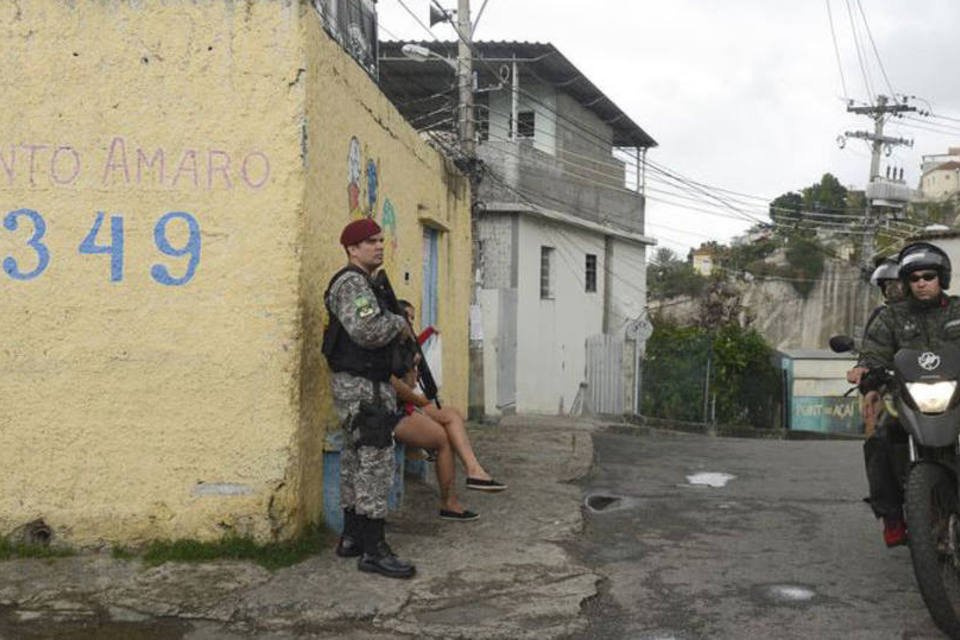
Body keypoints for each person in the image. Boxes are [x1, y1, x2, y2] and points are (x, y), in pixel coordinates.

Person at [323, 218, 417, 579]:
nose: (379, 246)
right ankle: (374, 550)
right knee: (375, 464)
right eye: (370, 241)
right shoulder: (352, 284)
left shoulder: (366, 283)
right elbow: (367, 331)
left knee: (355, 460)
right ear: (352, 249)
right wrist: (398, 321)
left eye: (380, 240)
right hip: (362, 388)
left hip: (363, 386)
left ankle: (352, 537)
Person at [854, 242, 960, 547]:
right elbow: (874, 351)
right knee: (881, 437)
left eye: (929, 276)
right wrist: (867, 375)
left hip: (957, 395)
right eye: (914, 278)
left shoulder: (957, 309)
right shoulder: (892, 317)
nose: (922, 282)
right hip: (907, 397)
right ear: (907, 282)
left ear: (942, 278)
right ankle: (892, 518)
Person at [391, 301, 506, 521]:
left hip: (409, 404)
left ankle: (474, 470)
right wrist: (418, 396)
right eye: (407, 317)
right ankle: (450, 501)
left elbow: (418, 348)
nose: (410, 322)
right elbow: (396, 384)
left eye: (413, 318)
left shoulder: (406, 343)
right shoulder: (389, 344)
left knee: (453, 415)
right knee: (443, 438)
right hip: (398, 409)